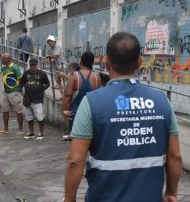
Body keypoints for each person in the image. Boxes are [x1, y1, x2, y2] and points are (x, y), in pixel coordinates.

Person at [64, 32, 182, 202]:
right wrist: (171, 193)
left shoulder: (91, 103)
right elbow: (175, 156)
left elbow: (75, 160)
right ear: (139, 62)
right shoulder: (162, 101)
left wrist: (69, 199)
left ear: (106, 62)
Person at [61, 52, 101, 141]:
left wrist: (63, 109)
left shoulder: (75, 75)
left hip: (76, 113)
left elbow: (68, 94)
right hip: (92, 113)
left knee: (77, 140)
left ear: (81, 62)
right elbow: (98, 96)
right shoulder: (97, 76)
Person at [21, 58, 50, 140]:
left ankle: (41, 132)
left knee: (39, 116)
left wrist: (41, 89)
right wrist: (26, 88)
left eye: (34, 65)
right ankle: (31, 132)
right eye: (32, 65)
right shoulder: (26, 73)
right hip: (28, 98)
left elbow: (47, 84)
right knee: (29, 116)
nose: (33, 66)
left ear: (37, 65)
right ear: (30, 65)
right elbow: (22, 82)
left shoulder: (42, 74)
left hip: (38, 99)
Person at [0, 53, 24, 135]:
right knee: (5, 110)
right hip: (6, 92)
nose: (2, 60)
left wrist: (20, 90)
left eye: (3, 59)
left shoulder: (14, 68)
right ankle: (6, 128)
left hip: (14, 92)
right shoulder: (4, 68)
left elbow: (20, 79)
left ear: (8, 59)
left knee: (18, 110)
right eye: (2, 58)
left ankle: (20, 129)